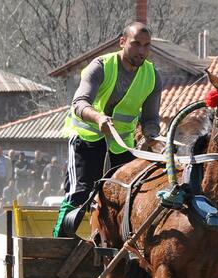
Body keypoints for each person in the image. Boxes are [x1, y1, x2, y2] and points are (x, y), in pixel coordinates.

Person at [53, 21, 162, 237]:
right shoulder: (101, 66)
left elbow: (150, 119)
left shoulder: (152, 76)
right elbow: (80, 103)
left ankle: (121, 248)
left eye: (146, 46)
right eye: (136, 44)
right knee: (81, 193)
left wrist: (151, 134)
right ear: (122, 42)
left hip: (121, 147)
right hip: (87, 140)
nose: (141, 51)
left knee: (127, 195)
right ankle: (60, 244)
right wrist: (98, 118)